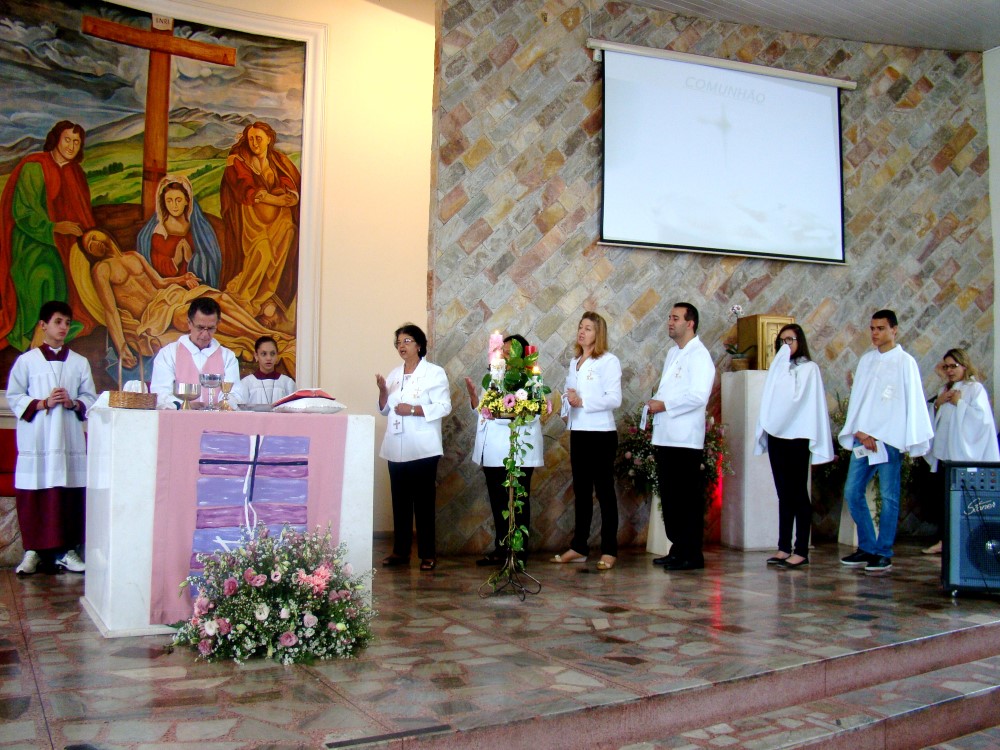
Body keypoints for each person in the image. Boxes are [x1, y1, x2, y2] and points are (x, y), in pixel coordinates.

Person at [76, 229, 294, 378]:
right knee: (190, 316)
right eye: (89, 245)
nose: (95, 244)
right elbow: (110, 310)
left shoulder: (133, 256)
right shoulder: (102, 270)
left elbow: (159, 282)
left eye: (94, 237)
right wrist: (122, 345)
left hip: (169, 296)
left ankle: (263, 334)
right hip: (155, 314)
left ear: (105, 235)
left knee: (221, 300)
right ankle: (255, 337)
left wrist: (182, 279)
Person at [839, 309, 934, 575]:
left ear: (894, 330)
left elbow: (905, 403)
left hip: (889, 440)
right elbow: (860, 399)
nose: (875, 333)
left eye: (880, 328)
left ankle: (883, 552)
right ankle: (867, 546)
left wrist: (882, 433)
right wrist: (860, 430)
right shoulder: (866, 360)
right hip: (863, 438)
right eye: (872, 328)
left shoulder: (905, 362)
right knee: (852, 491)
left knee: (889, 496)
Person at [7, 301, 97, 576]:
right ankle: (33, 552)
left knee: (67, 495)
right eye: (58, 321)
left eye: (67, 323)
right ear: (43, 325)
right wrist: (43, 403)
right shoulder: (27, 361)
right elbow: (14, 396)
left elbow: (90, 398)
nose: (63, 328)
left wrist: (72, 403)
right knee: (35, 492)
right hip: (38, 438)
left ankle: (67, 551)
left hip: (68, 438)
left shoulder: (79, 363)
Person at [0, 121, 98, 352]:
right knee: (46, 271)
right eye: (67, 140)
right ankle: (38, 330)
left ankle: (50, 331)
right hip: (31, 240)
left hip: (66, 242)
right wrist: (54, 228)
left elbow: (83, 215)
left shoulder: (76, 173)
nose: (71, 146)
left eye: (76, 142)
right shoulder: (34, 167)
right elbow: (24, 213)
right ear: (55, 139)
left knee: (79, 275)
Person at [753, 324, 834, 569]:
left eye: (789, 340)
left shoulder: (809, 368)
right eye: (781, 341)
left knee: (798, 492)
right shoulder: (778, 368)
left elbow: (797, 399)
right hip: (777, 435)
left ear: (800, 342)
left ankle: (801, 550)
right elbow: (771, 400)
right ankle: (783, 547)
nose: (785, 345)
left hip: (797, 436)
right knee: (783, 493)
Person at [646, 303, 716, 572]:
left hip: (685, 438)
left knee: (686, 498)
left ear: (690, 323)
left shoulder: (700, 355)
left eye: (675, 318)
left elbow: (698, 396)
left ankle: (692, 553)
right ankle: (677, 548)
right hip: (666, 435)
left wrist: (664, 405)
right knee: (670, 496)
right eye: (669, 318)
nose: (670, 322)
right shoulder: (673, 353)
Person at [376, 324, 452, 571]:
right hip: (396, 446)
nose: (402, 346)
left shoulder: (434, 373)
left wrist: (412, 409)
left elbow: (444, 406)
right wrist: (382, 392)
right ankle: (400, 551)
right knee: (400, 502)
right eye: (398, 342)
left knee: (423, 503)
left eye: (407, 341)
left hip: (422, 448)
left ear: (419, 345)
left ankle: (427, 554)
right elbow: (385, 409)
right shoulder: (394, 374)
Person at [464, 334, 544, 567]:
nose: (505, 355)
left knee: (517, 502)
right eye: (503, 351)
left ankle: (518, 553)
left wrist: (497, 413)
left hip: (516, 452)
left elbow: (531, 414)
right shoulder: (494, 376)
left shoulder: (530, 380)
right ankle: (501, 549)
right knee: (498, 503)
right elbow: (484, 412)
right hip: (492, 451)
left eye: (510, 352)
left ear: (522, 355)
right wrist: (474, 399)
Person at [552, 312, 622, 571]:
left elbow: (614, 398)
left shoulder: (608, 361)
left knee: (604, 492)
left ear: (598, 333)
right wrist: (565, 407)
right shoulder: (575, 362)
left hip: (601, 434)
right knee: (581, 492)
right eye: (580, 327)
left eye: (588, 328)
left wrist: (583, 402)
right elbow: (570, 394)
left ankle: (609, 549)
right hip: (579, 432)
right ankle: (579, 546)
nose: (582, 332)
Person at [220, 121, 300, 325]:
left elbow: (289, 181)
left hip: (278, 220)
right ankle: (243, 300)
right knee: (262, 252)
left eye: (259, 138)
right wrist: (278, 200)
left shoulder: (277, 160)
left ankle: (263, 298)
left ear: (269, 139)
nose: (254, 143)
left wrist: (291, 195)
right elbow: (246, 189)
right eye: (251, 139)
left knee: (289, 235)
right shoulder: (238, 160)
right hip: (252, 222)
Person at [921, 348, 999, 554]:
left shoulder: (975, 389)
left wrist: (960, 403)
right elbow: (936, 421)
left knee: (963, 501)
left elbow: (982, 420)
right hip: (944, 454)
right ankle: (943, 540)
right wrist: (937, 405)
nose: (949, 370)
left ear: (964, 366)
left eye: (953, 366)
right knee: (942, 499)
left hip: (962, 456)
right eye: (946, 366)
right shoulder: (944, 390)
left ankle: (962, 541)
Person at [149, 297, 242, 409]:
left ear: (218, 324)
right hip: (179, 417)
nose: (205, 334)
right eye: (200, 327)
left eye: (211, 328)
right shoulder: (168, 354)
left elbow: (234, 393)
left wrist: (224, 404)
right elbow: (161, 392)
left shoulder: (227, 357)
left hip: (217, 418)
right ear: (189, 323)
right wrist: (184, 405)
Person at [137, 175, 223, 287]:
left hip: (194, 285)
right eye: (169, 201)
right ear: (163, 202)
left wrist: (191, 259)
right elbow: (155, 267)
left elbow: (210, 261)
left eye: (178, 200)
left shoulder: (198, 229)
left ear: (187, 201)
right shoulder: (158, 231)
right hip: (168, 288)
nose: (174, 205)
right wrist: (175, 260)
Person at [235, 335, 297, 405]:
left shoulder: (287, 383)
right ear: (256, 356)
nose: (269, 358)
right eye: (264, 354)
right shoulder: (246, 383)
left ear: (277, 355)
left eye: (272, 354)